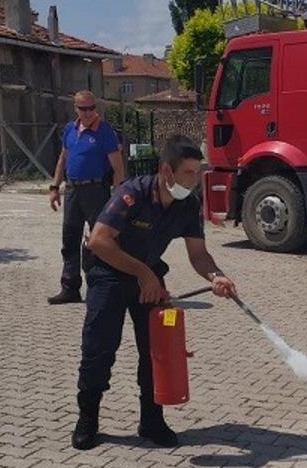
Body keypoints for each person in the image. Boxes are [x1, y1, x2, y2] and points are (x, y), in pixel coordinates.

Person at [73, 134, 237, 451]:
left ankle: (152, 420)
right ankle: (88, 419)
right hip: (108, 271)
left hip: (147, 276)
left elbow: (199, 255)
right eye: (188, 172)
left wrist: (217, 276)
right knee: (99, 348)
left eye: (198, 172)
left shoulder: (188, 205)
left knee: (156, 351)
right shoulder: (132, 194)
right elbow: (99, 241)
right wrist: (143, 273)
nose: (195, 180)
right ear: (166, 170)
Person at [47, 90, 126, 305]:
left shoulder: (105, 132)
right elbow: (63, 159)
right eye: (84, 108)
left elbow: (118, 167)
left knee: (100, 240)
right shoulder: (70, 130)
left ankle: (102, 285)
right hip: (73, 189)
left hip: (96, 190)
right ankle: (70, 287)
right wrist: (55, 187)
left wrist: (117, 195)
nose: (89, 112)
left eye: (92, 108)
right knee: (70, 239)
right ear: (76, 109)